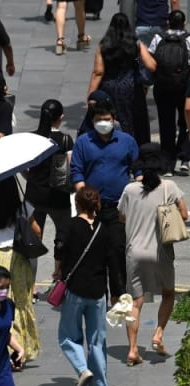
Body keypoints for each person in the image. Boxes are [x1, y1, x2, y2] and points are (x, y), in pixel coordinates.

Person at [118, 143, 188, 365]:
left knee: (135, 302)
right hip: (161, 253)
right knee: (167, 294)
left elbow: (122, 217)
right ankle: (158, 333)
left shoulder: (129, 190)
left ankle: (131, 350)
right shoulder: (169, 187)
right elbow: (184, 214)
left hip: (134, 253)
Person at [72, 101, 142, 304]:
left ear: (114, 120)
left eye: (107, 119)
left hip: (118, 208)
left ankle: (118, 295)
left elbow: (137, 170)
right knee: (93, 252)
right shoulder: (84, 142)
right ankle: (95, 295)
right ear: (92, 121)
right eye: (98, 119)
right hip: (92, 209)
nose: (103, 123)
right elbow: (76, 172)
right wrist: (85, 196)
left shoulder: (127, 141)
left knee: (117, 250)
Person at [54, 186, 111, 386]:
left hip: (75, 289)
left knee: (68, 335)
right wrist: (117, 292)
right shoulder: (103, 229)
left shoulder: (68, 225)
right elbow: (111, 261)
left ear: (76, 204)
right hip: (97, 291)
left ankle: (82, 369)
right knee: (98, 339)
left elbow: (59, 246)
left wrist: (58, 268)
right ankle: (101, 385)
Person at [0, 179, 42, 362]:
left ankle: (2, 347)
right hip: (18, 257)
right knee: (20, 301)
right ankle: (22, 347)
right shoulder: (23, 208)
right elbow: (37, 231)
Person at [24, 100, 75, 285]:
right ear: (60, 118)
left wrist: (31, 177)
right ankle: (58, 275)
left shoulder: (32, 138)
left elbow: (24, 167)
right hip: (58, 195)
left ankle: (30, 284)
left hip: (34, 194)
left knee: (32, 239)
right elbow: (71, 167)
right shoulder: (65, 140)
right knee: (63, 235)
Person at [88, 13, 151, 143]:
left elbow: (98, 72)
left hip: (109, 87)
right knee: (133, 118)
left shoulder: (104, 46)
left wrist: (91, 94)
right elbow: (150, 64)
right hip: (131, 86)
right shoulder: (136, 44)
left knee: (111, 116)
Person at [146, 11, 190, 174]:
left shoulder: (158, 38)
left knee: (166, 124)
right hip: (184, 86)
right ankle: (185, 157)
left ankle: (167, 164)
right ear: (183, 22)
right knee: (186, 121)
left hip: (162, 86)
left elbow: (151, 61)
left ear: (168, 22)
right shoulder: (188, 39)